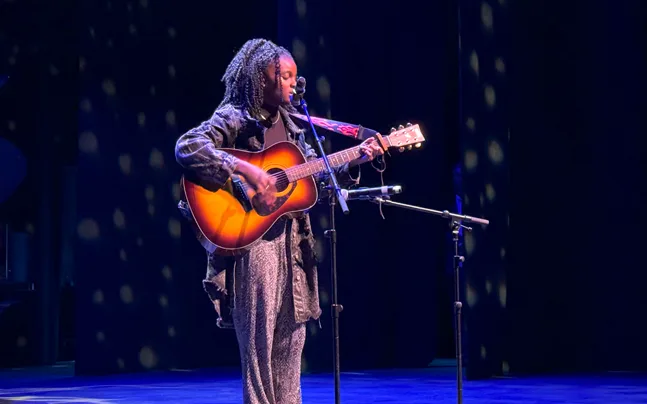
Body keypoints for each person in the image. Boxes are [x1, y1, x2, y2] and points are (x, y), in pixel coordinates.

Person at [174, 38, 383, 404]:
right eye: (283, 76)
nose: (291, 83)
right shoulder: (235, 116)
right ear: (261, 79)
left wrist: (355, 160)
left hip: (294, 246)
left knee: (290, 344)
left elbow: (307, 183)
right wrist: (244, 171)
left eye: (294, 77)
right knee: (258, 349)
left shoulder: (296, 127)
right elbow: (188, 147)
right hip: (253, 245)